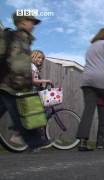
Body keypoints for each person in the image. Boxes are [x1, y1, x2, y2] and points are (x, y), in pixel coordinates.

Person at [0, 12, 45, 151]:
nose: (33, 25)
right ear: (22, 22)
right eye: (31, 21)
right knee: (19, 112)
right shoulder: (10, 37)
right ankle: (35, 141)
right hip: (8, 84)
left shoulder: (25, 41)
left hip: (17, 84)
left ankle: (34, 140)